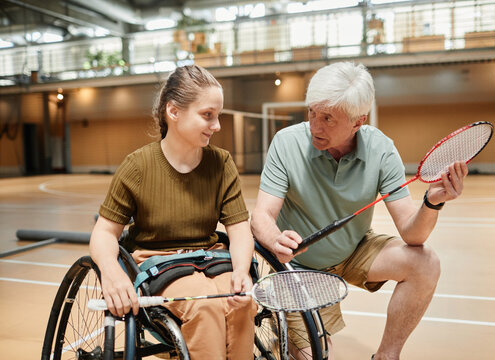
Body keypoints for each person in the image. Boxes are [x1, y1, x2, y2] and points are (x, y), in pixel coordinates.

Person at [250, 61, 468, 360]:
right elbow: (261, 216)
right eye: (312, 112)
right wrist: (275, 241)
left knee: (425, 262)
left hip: (353, 250)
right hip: (299, 266)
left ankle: (387, 356)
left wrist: (432, 202)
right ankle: (286, 331)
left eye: (328, 118)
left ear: (358, 121)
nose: (315, 125)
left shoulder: (381, 149)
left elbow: (412, 233)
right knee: (312, 355)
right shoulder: (287, 143)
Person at [90, 65, 256, 360]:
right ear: (174, 112)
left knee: (243, 302)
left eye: (217, 115)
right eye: (207, 115)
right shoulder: (138, 166)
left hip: (209, 259)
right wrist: (111, 271)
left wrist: (242, 270)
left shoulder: (221, 163)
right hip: (159, 263)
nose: (217, 125)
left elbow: (240, 228)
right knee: (204, 306)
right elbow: (104, 232)